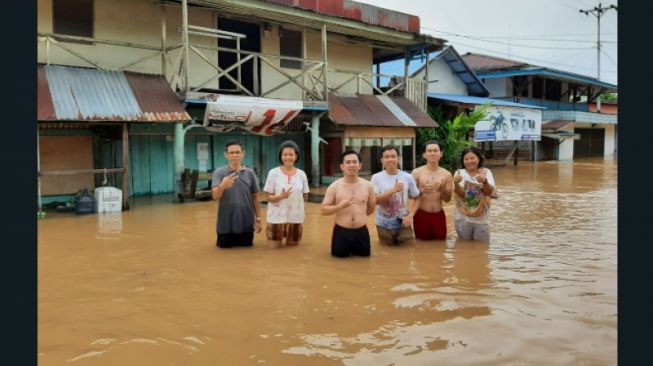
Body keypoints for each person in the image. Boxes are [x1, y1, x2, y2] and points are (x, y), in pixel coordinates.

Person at [321, 150, 376, 258]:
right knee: (338, 262)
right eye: (348, 162)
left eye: (355, 162)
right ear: (342, 166)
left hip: (361, 232)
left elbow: (371, 208)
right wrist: (339, 206)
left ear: (360, 165)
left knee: (363, 263)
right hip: (341, 232)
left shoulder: (368, 186)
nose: (352, 165)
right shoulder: (334, 187)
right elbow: (323, 210)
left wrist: (360, 216)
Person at [211, 140, 262, 248]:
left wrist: (258, 220)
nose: (235, 155)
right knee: (224, 256)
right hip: (225, 225)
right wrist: (222, 186)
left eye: (237, 152)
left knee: (247, 255)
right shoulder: (219, 172)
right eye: (231, 152)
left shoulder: (250, 173)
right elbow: (215, 197)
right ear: (226, 155)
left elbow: (256, 197)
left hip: (247, 224)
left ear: (243, 154)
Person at [263, 140, 310, 248]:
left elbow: (305, 196)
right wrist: (281, 197)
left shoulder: (301, 174)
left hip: (295, 217)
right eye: (285, 154)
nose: (288, 157)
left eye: (291, 155)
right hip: (276, 216)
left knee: (292, 249)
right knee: (274, 249)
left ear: (296, 156)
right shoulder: (273, 173)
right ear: (281, 156)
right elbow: (268, 197)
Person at [371, 145, 420, 246]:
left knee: (407, 254)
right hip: (383, 225)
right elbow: (374, 200)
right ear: (382, 160)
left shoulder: (408, 177)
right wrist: (393, 190)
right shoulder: (376, 178)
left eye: (393, 156)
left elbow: (418, 197)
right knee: (386, 256)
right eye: (387, 157)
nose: (390, 159)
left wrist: (411, 216)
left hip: (404, 223)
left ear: (398, 158)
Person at [452, 147, 497, 241]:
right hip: (462, 218)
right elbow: (461, 194)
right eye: (466, 159)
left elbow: (489, 192)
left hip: (482, 218)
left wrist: (484, 181)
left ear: (478, 158)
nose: (469, 161)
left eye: (472, 158)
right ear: (463, 161)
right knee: (463, 248)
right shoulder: (459, 173)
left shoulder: (486, 172)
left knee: (481, 249)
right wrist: (455, 183)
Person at [411, 140, 453, 240]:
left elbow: (447, 199)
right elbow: (410, 196)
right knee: (421, 246)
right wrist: (421, 191)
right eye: (429, 151)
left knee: (440, 245)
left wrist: (442, 190)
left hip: (439, 215)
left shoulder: (446, 174)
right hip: (421, 214)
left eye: (435, 150)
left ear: (441, 154)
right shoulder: (416, 173)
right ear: (424, 155)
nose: (432, 153)